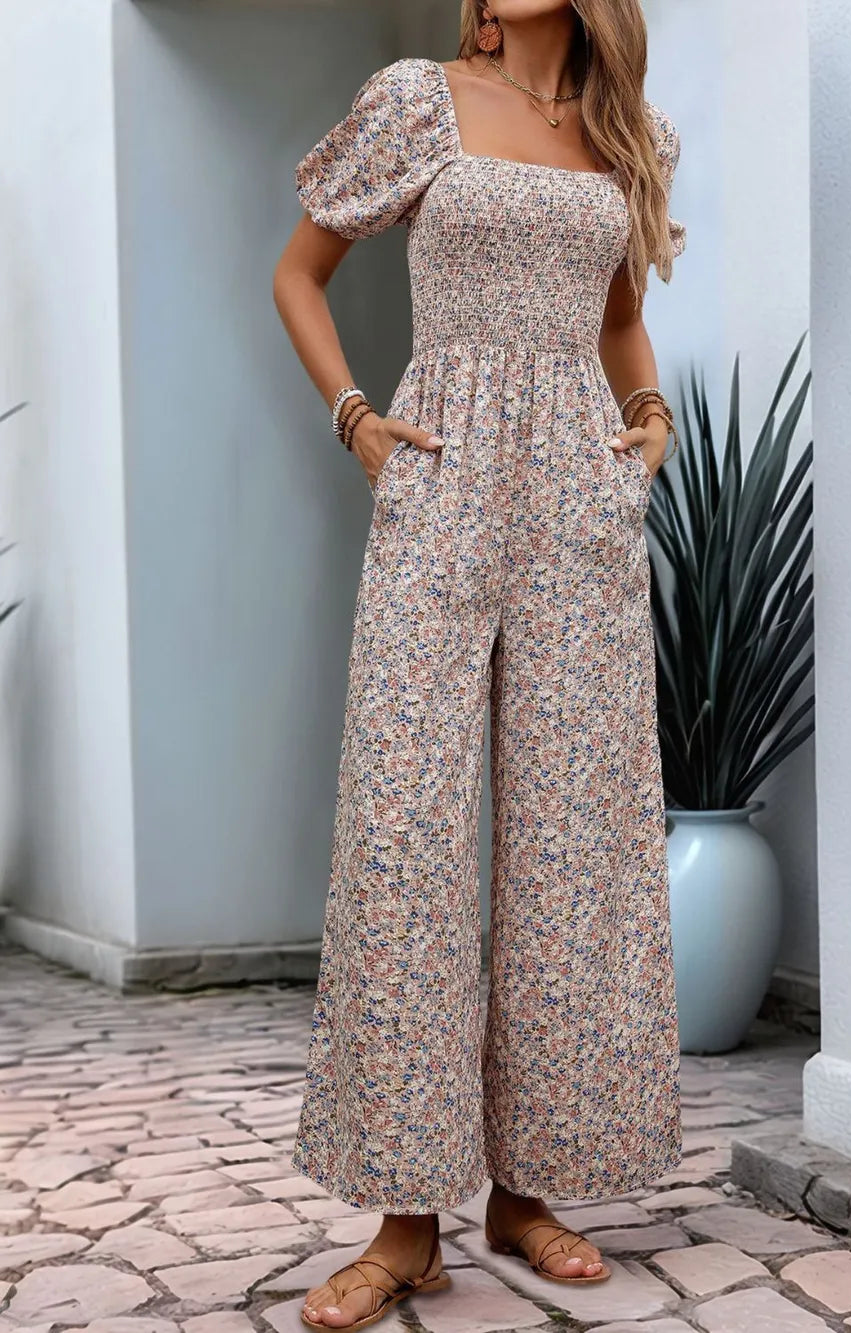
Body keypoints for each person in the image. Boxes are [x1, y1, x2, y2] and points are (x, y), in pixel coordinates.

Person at [273, 2, 687, 1328]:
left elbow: (618, 321)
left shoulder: (623, 132)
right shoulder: (418, 98)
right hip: (442, 478)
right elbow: (297, 273)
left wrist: (650, 414)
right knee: (408, 834)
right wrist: (356, 419)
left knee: (572, 845)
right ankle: (405, 1225)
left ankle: (526, 1192)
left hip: (578, 497)